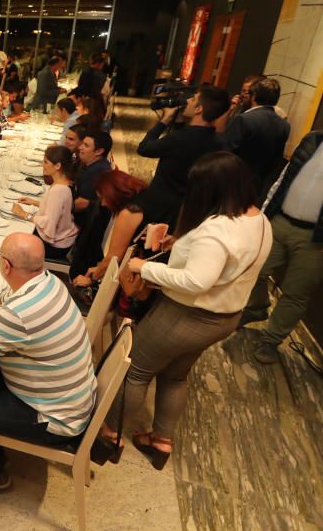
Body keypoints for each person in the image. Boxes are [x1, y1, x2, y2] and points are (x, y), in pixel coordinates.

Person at [98, 152, 271, 469]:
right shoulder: (258, 219)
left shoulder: (217, 230)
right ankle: (161, 441)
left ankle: (109, 436)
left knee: (136, 370)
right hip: (224, 317)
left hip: (186, 315)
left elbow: (196, 281)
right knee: (176, 375)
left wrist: (143, 268)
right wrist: (177, 245)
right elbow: (224, 266)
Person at [0, 233, 97, 491]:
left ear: (6, 266)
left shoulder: (17, 313)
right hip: (73, 398)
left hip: (54, 419)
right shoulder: (49, 282)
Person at [241, 129, 323, 364]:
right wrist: (265, 214)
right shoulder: (312, 139)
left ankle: (271, 340)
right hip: (280, 221)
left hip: (315, 239)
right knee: (255, 269)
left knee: (296, 293)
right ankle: (256, 307)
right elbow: (283, 180)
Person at [137, 85, 229, 222]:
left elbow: (144, 148)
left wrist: (163, 121)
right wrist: (179, 123)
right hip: (189, 210)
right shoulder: (220, 142)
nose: (187, 101)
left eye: (193, 99)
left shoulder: (180, 138)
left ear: (199, 109)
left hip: (160, 207)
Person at [72, 169, 152, 287]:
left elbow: (114, 258)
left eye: (104, 198)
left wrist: (91, 279)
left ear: (113, 193)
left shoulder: (129, 212)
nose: (103, 204)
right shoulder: (144, 195)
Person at [221, 78, 290, 199]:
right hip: (257, 186)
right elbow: (276, 161)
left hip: (231, 183)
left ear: (254, 96)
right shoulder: (284, 125)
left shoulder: (244, 119)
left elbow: (225, 152)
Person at [12, 146, 78, 259]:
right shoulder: (66, 183)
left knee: (13, 243)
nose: (43, 165)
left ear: (58, 166)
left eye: (46, 162)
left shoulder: (58, 190)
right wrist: (36, 202)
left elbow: (49, 224)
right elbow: (57, 209)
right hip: (64, 239)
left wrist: (24, 214)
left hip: (54, 246)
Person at [74, 131, 113, 214]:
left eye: (86, 145)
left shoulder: (96, 172)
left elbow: (81, 204)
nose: (80, 147)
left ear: (98, 151)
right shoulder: (93, 164)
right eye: (82, 143)